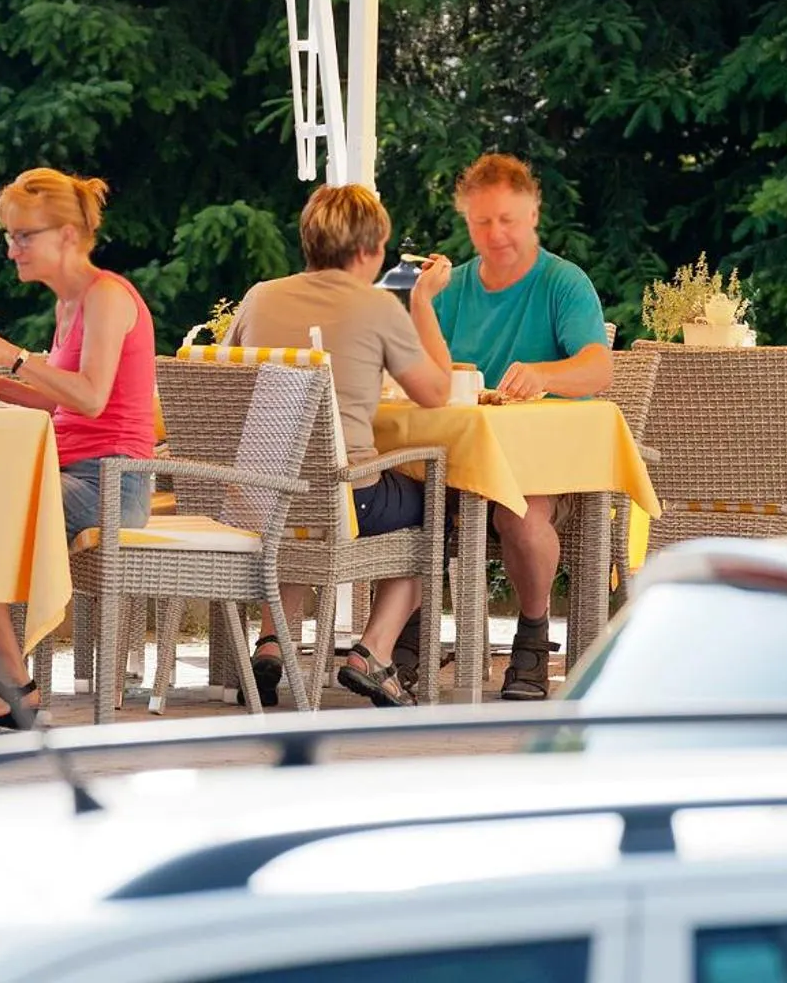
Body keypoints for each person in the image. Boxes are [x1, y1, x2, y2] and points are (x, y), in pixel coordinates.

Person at [0, 168, 156, 728]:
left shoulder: (107, 296)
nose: (13, 250)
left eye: (24, 236)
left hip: (111, 484)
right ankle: (6, 683)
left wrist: (12, 357)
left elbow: (88, 398)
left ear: (68, 236)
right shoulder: (70, 305)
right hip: (76, 472)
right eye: (10, 237)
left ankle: (14, 689)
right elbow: (60, 403)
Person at [225, 185, 451, 707]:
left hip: (259, 494)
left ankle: (273, 641)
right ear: (370, 250)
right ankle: (372, 651)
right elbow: (436, 393)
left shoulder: (260, 295)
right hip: (349, 496)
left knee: (299, 498)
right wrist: (421, 300)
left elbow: (232, 378)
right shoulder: (377, 306)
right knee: (437, 509)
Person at [410, 153, 611, 701]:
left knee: (518, 516)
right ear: (465, 220)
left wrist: (545, 374)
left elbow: (599, 367)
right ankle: (405, 637)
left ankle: (533, 633)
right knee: (398, 495)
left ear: (533, 215)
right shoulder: (450, 288)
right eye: (482, 222)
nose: (495, 234)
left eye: (507, 220)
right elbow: (431, 374)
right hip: (456, 454)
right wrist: (422, 305)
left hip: (540, 461)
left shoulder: (562, 283)